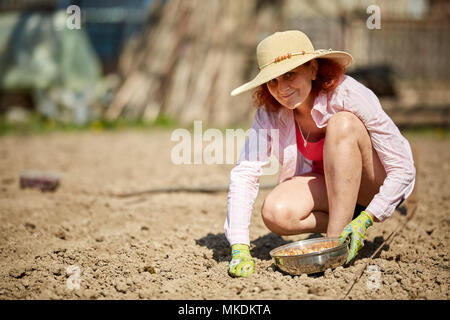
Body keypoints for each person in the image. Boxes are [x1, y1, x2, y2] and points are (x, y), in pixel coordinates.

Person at [225, 30, 416, 277]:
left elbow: (403, 168)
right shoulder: (269, 113)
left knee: (342, 123)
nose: (281, 89)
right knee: (275, 212)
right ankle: (346, 220)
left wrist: (369, 216)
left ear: (313, 69)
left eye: (289, 75)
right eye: (272, 81)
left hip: (371, 186)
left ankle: (335, 245)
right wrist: (239, 245)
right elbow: (246, 172)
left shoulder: (348, 93)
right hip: (331, 190)